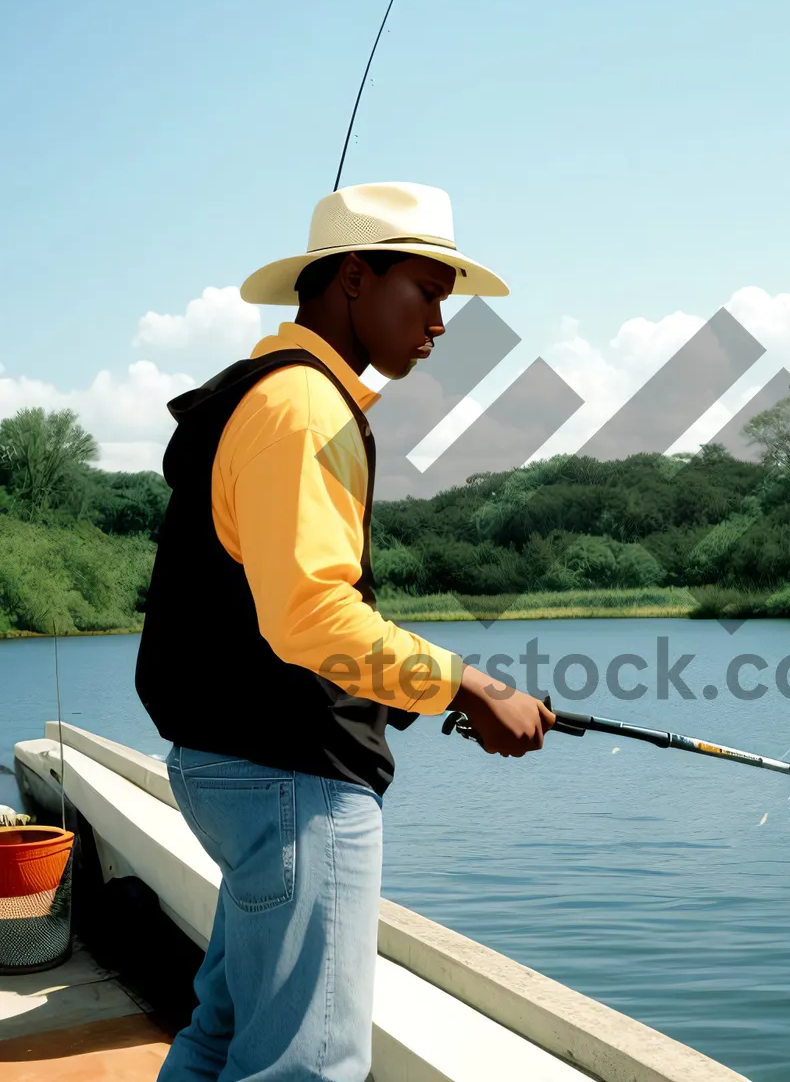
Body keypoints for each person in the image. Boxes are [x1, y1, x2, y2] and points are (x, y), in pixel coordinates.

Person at [135, 181, 553, 1081]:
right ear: (355, 278)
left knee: (219, 1036)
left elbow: (292, 611)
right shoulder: (305, 407)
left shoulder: (264, 395)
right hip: (289, 781)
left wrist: (440, 693)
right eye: (428, 291)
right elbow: (313, 620)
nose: (440, 321)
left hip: (235, 765)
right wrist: (470, 686)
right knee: (307, 1065)